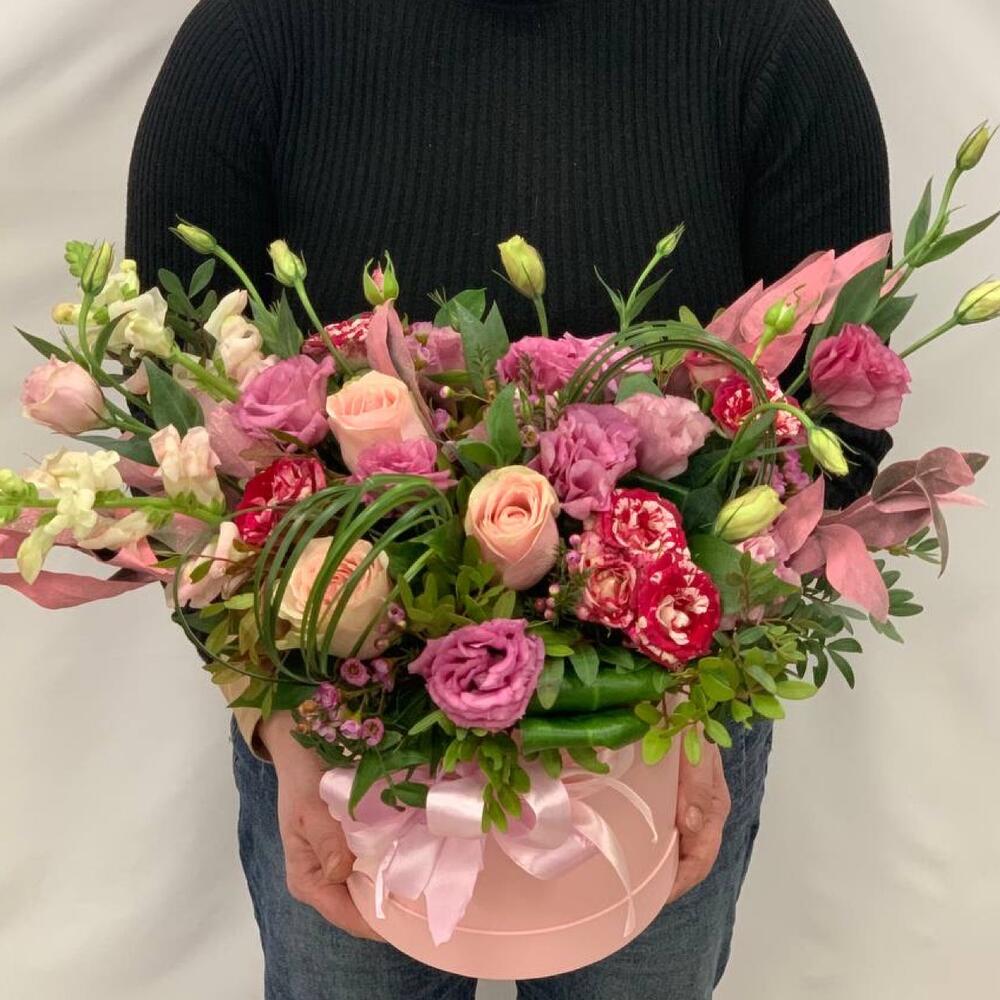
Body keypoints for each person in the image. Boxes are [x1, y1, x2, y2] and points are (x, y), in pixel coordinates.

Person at [126, 1, 891, 996]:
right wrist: (275, 720)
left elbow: (838, 424)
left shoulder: (769, 33)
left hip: (662, 733)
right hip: (333, 733)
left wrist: (699, 707)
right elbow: (173, 428)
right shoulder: (255, 32)